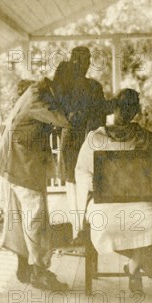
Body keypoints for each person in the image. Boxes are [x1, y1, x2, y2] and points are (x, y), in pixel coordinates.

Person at [75, 89, 152, 292]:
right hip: (111, 203)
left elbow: (81, 172)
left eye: (129, 109)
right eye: (125, 108)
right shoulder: (145, 139)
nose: (127, 112)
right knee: (145, 223)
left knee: (151, 222)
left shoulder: (144, 139)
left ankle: (133, 267)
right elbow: (83, 171)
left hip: (129, 203)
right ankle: (142, 261)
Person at [0, 64, 71, 291]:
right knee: (35, 217)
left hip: (19, 162)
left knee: (24, 216)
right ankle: (39, 271)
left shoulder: (42, 90)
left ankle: (24, 268)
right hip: (20, 163)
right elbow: (64, 120)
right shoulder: (39, 97)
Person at [57, 47, 110, 241]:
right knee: (73, 187)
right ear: (73, 61)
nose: (84, 64)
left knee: (90, 186)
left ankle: (90, 232)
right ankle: (77, 231)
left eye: (87, 59)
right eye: (80, 60)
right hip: (72, 142)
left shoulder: (94, 87)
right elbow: (59, 115)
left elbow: (102, 114)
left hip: (90, 142)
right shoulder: (63, 86)